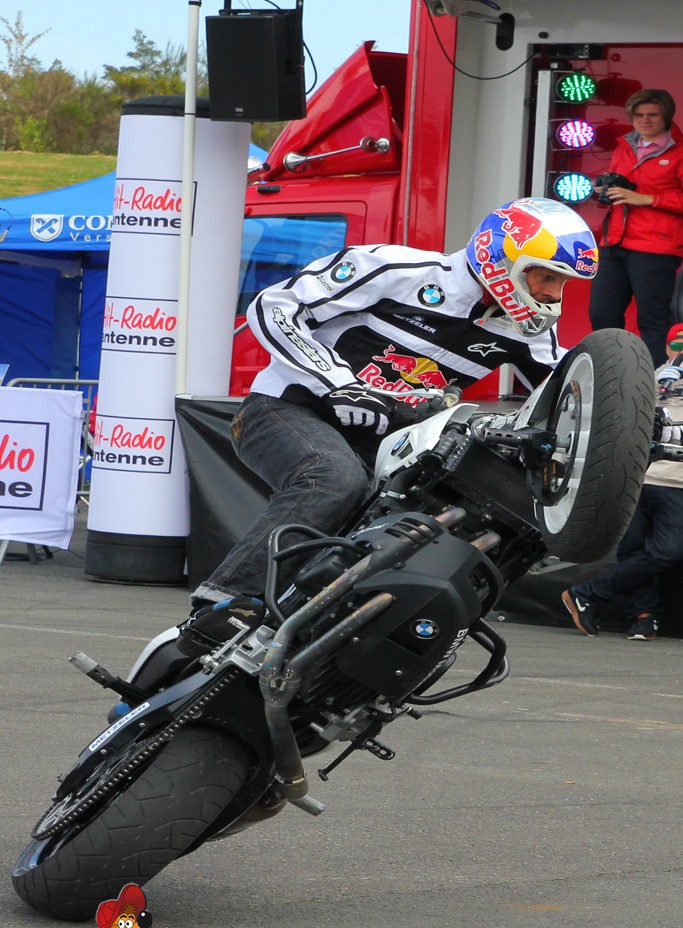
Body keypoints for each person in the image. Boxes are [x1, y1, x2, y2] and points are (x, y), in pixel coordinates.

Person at [178, 197, 597, 653]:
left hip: (383, 449)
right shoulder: (395, 269)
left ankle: (322, 642)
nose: (554, 294)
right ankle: (223, 604)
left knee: (420, 528)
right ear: (501, 257)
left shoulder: (526, 330)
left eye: (562, 282)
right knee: (334, 479)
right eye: (546, 276)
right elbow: (274, 305)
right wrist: (338, 382)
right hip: (288, 410)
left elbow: (569, 393)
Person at [562, 321, 683, 640]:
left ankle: (588, 593)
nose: (682, 351)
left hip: (677, 482)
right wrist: (656, 389)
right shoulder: (649, 377)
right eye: (677, 344)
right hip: (636, 476)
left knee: (668, 551)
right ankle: (644, 616)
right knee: (631, 547)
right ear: (667, 347)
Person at [588, 88, 683, 366]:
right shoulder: (625, 146)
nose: (645, 120)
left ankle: (655, 381)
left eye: (652, 114)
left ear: (666, 116)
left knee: (652, 320)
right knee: (602, 313)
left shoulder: (679, 151)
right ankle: (611, 373)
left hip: (656, 246)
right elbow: (622, 189)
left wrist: (647, 198)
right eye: (639, 115)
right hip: (614, 241)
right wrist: (604, 189)